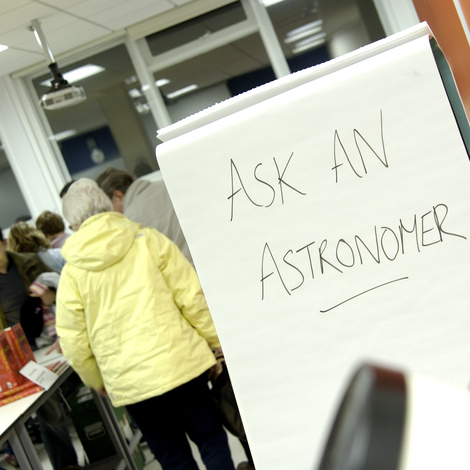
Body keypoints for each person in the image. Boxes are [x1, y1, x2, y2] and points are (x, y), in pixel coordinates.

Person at [56, 178, 235, 470]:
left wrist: (97, 380)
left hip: (131, 382)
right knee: (210, 437)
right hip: (182, 363)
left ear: (73, 222)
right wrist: (215, 341)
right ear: (105, 204)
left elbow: (73, 342)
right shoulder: (148, 240)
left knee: (173, 457)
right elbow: (192, 297)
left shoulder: (72, 273)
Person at [0, 228, 79, 470]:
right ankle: (65, 465)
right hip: (15, 354)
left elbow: (65, 288)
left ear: (4, 243)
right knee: (47, 408)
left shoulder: (29, 262)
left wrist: (53, 294)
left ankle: (67, 463)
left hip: (49, 343)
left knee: (51, 403)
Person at [96, 167, 193, 265]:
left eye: (107, 208)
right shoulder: (165, 184)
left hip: (191, 272)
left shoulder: (131, 221)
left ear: (118, 196)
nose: (109, 215)